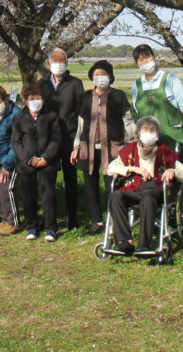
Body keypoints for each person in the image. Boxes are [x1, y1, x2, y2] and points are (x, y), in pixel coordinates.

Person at [105, 116, 183, 257]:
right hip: (133, 188)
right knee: (115, 196)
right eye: (145, 129)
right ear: (138, 132)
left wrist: (171, 171)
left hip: (155, 190)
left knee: (148, 198)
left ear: (157, 133)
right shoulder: (129, 150)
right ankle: (125, 242)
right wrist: (132, 169)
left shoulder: (164, 150)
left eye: (152, 130)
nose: (148, 133)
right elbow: (110, 168)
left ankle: (144, 244)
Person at [72, 60, 135, 235]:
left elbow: (128, 121)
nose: (100, 77)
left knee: (112, 186)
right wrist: (75, 147)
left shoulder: (118, 96)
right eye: (97, 74)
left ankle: (116, 221)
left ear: (110, 76)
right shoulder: (85, 97)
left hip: (113, 149)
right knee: (91, 188)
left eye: (103, 74)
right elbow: (81, 123)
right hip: (88, 149)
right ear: (92, 76)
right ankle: (98, 221)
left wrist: (134, 144)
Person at [38, 48, 84, 230]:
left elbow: (82, 113)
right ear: (49, 63)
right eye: (55, 60)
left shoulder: (75, 84)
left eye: (62, 60)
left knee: (70, 180)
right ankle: (48, 219)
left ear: (67, 63)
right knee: (47, 181)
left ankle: (72, 218)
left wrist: (78, 143)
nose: (58, 64)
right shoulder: (42, 84)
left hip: (70, 138)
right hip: (47, 140)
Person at [12, 84, 62, 242]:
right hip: (26, 164)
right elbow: (16, 141)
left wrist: (46, 157)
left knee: (48, 195)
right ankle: (31, 227)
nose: (35, 101)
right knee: (28, 196)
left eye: (38, 98)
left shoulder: (51, 116)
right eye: (32, 99)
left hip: (47, 163)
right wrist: (29, 158)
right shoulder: (19, 118)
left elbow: (56, 138)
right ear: (26, 101)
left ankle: (50, 228)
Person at [130, 44, 183, 162]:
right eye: (141, 60)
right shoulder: (136, 85)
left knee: (175, 174)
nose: (145, 62)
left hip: (172, 138)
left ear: (154, 57)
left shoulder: (170, 79)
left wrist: (176, 128)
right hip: (149, 139)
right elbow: (138, 112)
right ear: (137, 64)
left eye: (147, 57)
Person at [0, 85, 22, 236]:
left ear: (6, 100)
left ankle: (13, 221)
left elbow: (16, 142)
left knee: (6, 188)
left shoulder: (16, 114)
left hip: (13, 160)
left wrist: (8, 165)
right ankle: (4, 218)